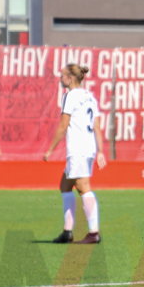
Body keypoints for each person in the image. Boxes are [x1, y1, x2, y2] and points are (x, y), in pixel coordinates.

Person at [43, 65, 107, 244]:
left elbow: (63, 126)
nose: (60, 78)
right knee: (65, 185)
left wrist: (50, 150)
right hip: (88, 148)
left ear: (71, 78)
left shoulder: (70, 96)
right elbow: (96, 127)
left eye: (62, 75)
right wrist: (100, 151)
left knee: (83, 188)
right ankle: (67, 232)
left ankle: (94, 233)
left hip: (78, 149)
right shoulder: (90, 97)